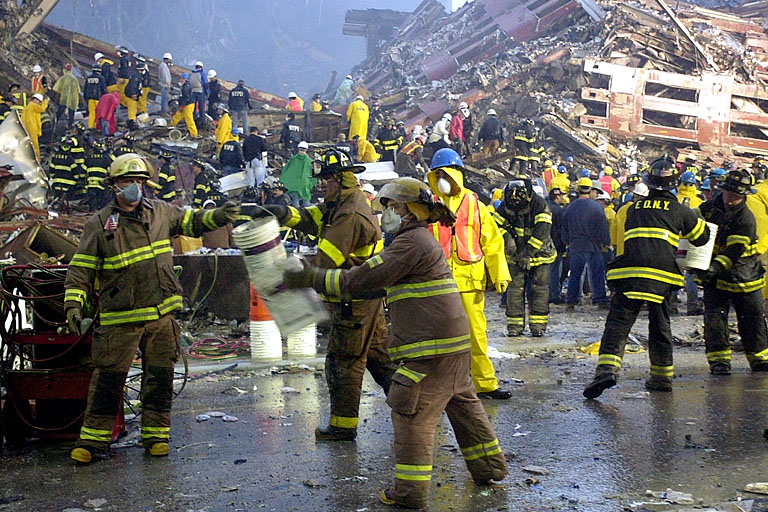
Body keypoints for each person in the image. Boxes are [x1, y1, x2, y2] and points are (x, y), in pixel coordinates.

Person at [282, 177, 508, 509]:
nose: (384, 214)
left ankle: (409, 493)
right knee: (463, 405)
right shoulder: (419, 240)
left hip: (430, 349)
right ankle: (489, 467)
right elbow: (377, 281)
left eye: (390, 208)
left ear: (408, 211)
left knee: (410, 411)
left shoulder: (410, 243)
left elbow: (360, 279)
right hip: (453, 345)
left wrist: (311, 277)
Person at [65, 153, 239, 464]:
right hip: (121, 317)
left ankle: (156, 437)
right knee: (108, 381)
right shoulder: (99, 224)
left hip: (161, 314)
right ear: (114, 184)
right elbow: (81, 269)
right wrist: (73, 306)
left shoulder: (161, 212)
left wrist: (220, 215)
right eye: (128, 181)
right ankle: (92, 442)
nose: (135, 186)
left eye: (140, 180)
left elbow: (193, 222)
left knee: (160, 377)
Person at [254, 149, 395, 440]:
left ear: (341, 180)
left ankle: (343, 426)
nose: (321, 185)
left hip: (354, 301)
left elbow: (325, 262)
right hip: (365, 299)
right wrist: (283, 213)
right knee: (380, 359)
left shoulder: (350, 214)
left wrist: (288, 276)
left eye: (327, 180)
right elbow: (313, 217)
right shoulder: (340, 203)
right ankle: (414, 408)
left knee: (343, 363)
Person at [583, 157, 710, 399]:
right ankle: (661, 378)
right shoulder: (679, 209)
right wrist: (696, 216)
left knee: (618, 324)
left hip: (629, 273)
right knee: (660, 325)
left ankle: (606, 371)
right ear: (674, 184)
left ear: (648, 183)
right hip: (661, 276)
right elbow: (701, 238)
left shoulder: (633, 208)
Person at [427, 148, 512, 399]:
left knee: (476, 334)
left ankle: (484, 383)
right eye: (438, 174)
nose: (442, 179)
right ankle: (440, 385)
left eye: (446, 174)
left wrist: (500, 273)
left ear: (457, 174)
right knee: (437, 335)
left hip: (469, 280)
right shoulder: (428, 206)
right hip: (438, 281)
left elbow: (492, 241)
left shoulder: (475, 205)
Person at [697, 170, 768, 375]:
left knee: (752, 319)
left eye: (736, 195)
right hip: (716, 276)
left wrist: (714, 268)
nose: (730, 197)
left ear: (744, 195)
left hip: (744, 275)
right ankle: (719, 361)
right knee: (714, 319)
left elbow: (734, 251)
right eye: (728, 192)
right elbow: (693, 225)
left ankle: (759, 359)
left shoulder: (746, 218)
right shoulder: (709, 208)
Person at [494, 177, 556, 336]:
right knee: (515, 290)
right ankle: (514, 327)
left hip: (539, 253)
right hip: (516, 255)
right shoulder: (506, 204)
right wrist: (507, 237)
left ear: (528, 196)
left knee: (539, 289)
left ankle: (538, 327)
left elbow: (542, 232)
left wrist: (528, 253)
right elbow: (494, 225)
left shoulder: (540, 205)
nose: (515, 204)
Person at [562, 177, 611, 311]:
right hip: (593, 246)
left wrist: (567, 241)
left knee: (575, 275)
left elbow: (564, 228)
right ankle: (600, 301)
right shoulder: (597, 207)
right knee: (597, 274)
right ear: (590, 190)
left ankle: (570, 302)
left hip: (576, 245)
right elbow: (602, 228)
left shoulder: (570, 207)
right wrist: (606, 242)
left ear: (578, 189)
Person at [612, 182, 649, 257]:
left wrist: (615, 244)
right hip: (638, 253)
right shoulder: (646, 211)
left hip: (621, 251)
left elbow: (614, 228)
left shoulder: (622, 209)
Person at [546, 187, 566, 304]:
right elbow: (560, 230)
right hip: (555, 245)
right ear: (557, 196)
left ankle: (545, 294)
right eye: (561, 195)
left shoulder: (544, 207)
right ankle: (555, 295)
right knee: (555, 271)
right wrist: (562, 245)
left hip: (543, 243)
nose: (562, 197)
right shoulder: (558, 210)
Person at [85, 139, 112, 211]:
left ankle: (92, 211)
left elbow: (83, 171)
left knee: (92, 200)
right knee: (103, 199)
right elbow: (110, 171)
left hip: (91, 183)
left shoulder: (89, 158)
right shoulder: (106, 158)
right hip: (102, 183)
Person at [21, 93, 48, 160]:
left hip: (28, 128)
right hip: (31, 128)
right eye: (39, 101)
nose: (39, 103)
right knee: (34, 145)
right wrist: (46, 101)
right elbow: (42, 109)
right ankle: (36, 160)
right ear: (35, 99)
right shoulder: (32, 105)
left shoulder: (29, 106)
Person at [53, 64, 80, 128]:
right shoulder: (75, 79)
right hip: (72, 100)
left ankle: (55, 123)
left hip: (64, 98)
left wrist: (56, 98)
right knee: (71, 114)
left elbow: (57, 89)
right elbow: (78, 90)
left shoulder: (63, 78)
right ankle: (69, 126)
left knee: (60, 111)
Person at [170, 73, 197, 138]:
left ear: (184, 79)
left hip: (188, 105)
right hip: (186, 104)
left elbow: (186, 98)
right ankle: (171, 126)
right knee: (177, 116)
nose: (180, 79)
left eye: (181, 78)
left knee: (189, 119)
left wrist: (182, 105)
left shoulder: (186, 87)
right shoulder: (185, 86)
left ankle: (194, 134)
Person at [123, 63, 141, 130]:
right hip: (131, 95)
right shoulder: (136, 77)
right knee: (132, 109)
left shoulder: (134, 75)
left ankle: (133, 121)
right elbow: (133, 86)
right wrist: (133, 94)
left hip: (130, 94)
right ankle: (132, 123)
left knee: (133, 109)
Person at [190, 61, 208, 126]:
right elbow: (206, 84)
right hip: (201, 92)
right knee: (201, 108)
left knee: (193, 108)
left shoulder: (192, 74)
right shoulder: (202, 74)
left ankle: (193, 120)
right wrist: (207, 93)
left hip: (193, 92)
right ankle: (202, 122)